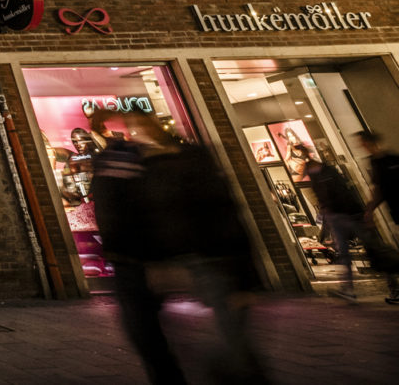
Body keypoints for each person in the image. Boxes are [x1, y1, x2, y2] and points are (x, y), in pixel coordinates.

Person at [89, 110, 267, 385]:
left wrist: (244, 277)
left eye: (138, 124)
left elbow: (223, 210)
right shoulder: (120, 161)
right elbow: (113, 215)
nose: (134, 131)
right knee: (149, 333)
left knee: (228, 338)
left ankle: (232, 371)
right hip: (150, 262)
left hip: (197, 256)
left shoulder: (189, 158)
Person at [306, 152, 395, 303]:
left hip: (349, 215)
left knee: (373, 249)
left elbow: (336, 195)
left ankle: (392, 286)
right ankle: (348, 289)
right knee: (349, 253)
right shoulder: (323, 175)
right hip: (342, 216)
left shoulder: (327, 174)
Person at [355, 129, 399, 304]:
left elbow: (378, 190)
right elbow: (378, 189)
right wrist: (370, 210)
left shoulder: (392, 159)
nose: (361, 146)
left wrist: (370, 209)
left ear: (369, 142)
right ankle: (395, 291)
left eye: (362, 142)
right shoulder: (374, 163)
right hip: (395, 212)